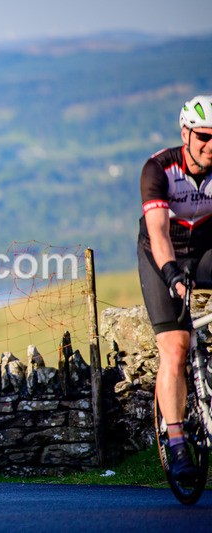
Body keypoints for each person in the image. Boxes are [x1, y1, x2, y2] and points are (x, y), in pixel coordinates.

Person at [138, 95, 212, 482]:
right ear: (186, 134)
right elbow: (159, 233)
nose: (210, 145)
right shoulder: (159, 169)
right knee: (176, 347)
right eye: (203, 136)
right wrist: (171, 277)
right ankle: (178, 440)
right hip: (161, 254)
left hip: (204, 248)